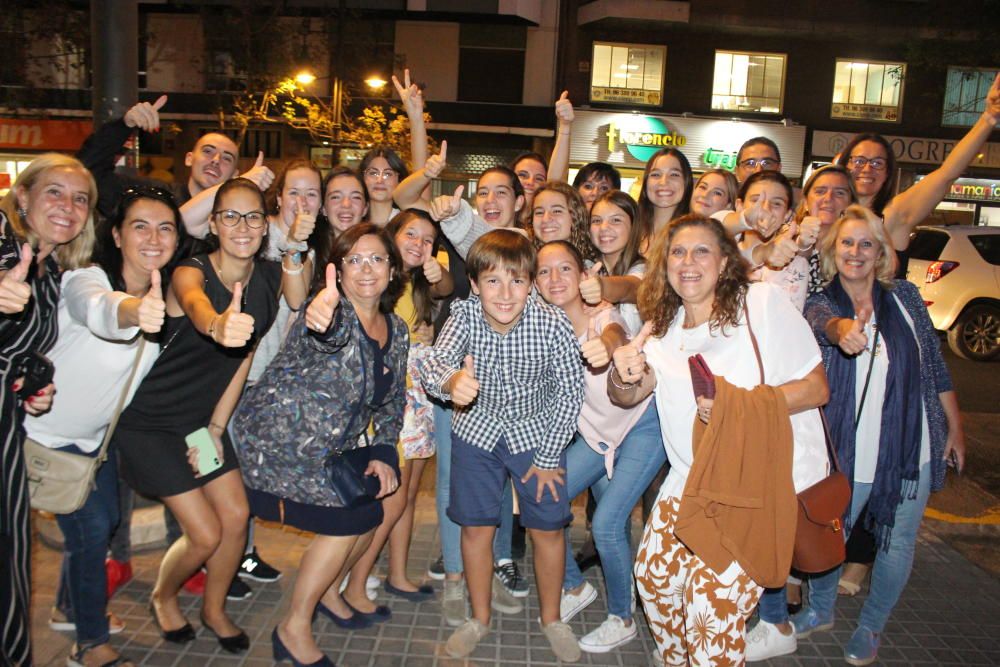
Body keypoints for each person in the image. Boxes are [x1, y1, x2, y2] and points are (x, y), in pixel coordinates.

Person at [610, 215, 830, 665]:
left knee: (707, 610)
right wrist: (621, 370)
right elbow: (629, 392)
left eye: (701, 251)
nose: (687, 262)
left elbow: (815, 387)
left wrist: (733, 405)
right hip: (690, 480)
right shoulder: (663, 326)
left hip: (752, 484)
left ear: (726, 261)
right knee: (653, 581)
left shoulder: (761, 304)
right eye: (677, 252)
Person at [112, 178, 283, 654]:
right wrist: (216, 324)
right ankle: (163, 597)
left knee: (235, 513)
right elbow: (193, 303)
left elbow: (243, 359)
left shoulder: (267, 279)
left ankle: (213, 608)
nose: (242, 226)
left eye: (253, 217)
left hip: (198, 424)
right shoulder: (190, 270)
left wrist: (215, 427)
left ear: (265, 226)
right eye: (230, 216)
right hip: (149, 423)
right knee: (205, 533)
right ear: (213, 223)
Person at [789, 206, 963, 666]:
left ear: (881, 252)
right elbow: (823, 325)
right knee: (833, 531)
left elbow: (934, 369)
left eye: (867, 243)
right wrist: (842, 329)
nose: (856, 252)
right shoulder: (820, 302)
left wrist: (955, 431)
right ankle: (820, 610)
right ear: (833, 250)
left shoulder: (905, 298)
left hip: (911, 447)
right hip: (848, 449)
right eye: (847, 242)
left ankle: (872, 626)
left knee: (898, 541)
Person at [25, 185, 186, 667]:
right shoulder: (85, 279)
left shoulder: (170, 293)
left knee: (102, 524)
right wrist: (136, 311)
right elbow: (101, 311)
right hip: (40, 436)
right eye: (140, 226)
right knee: (92, 531)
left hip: (97, 444)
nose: (154, 238)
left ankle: (69, 607)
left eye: (165, 228)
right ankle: (90, 644)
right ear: (115, 235)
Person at [232, 223, 407, 666]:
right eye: (354, 260)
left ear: (392, 270)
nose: (366, 269)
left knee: (374, 507)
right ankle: (293, 627)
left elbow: (393, 399)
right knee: (353, 519)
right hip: (277, 444)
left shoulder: (397, 328)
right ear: (338, 271)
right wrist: (323, 318)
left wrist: (386, 452)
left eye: (377, 259)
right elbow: (327, 335)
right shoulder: (331, 311)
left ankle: (329, 592)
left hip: (325, 450)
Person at [420, 230, 585, 662]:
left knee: (548, 528)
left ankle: (551, 619)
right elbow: (435, 361)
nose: (506, 293)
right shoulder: (464, 315)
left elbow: (570, 392)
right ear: (474, 284)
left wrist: (550, 455)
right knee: (476, 528)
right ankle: (480, 617)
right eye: (492, 281)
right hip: (476, 433)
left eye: (517, 280)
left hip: (537, 437)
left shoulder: (551, 323)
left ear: (531, 282)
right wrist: (452, 380)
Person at [533, 240, 665, 653]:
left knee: (607, 525)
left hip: (642, 426)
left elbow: (615, 335)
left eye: (565, 269)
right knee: (541, 501)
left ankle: (622, 617)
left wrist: (605, 348)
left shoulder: (602, 315)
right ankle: (574, 587)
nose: (555, 279)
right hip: (596, 435)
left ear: (583, 276)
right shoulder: (542, 328)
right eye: (544, 271)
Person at [0, 153, 97, 667]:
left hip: (8, 431)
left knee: (13, 563)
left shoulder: (52, 271)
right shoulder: (3, 246)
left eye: (80, 198)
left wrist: (27, 386)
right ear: (22, 197)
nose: (68, 206)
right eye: (54, 192)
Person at [342, 210, 452, 614]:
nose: (418, 243)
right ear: (393, 234)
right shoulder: (382, 282)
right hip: (395, 403)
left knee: (406, 497)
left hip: (419, 401)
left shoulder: (415, 283)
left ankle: (398, 574)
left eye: (427, 239)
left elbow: (445, 289)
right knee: (390, 499)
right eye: (411, 233)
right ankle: (354, 584)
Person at [835, 73, 999, 277]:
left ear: (887, 173)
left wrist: (988, 118)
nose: (867, 169)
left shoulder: (895, 214)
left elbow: (947, 174)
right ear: (845, 165)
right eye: (859, 161)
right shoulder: (829, 214)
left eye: (878, 163)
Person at [636, 148, 693, 245]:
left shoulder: (694, 234)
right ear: (646, 183)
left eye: (674, 174)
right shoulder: (630, 229)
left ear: (686, 182)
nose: (663, 182)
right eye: (656, 174)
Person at [359, 147, 408, 226]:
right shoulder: (352, 221)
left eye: (387, 174)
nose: (380, 180)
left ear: (400, 180)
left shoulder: (407, 224)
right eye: (373, 173)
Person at [322, 166, 369, 239]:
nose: (346, 205)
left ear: (365, 208)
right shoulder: (304, 248)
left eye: (356, 197)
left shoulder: (377, 248)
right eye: (336, 197)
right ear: (323, 208)